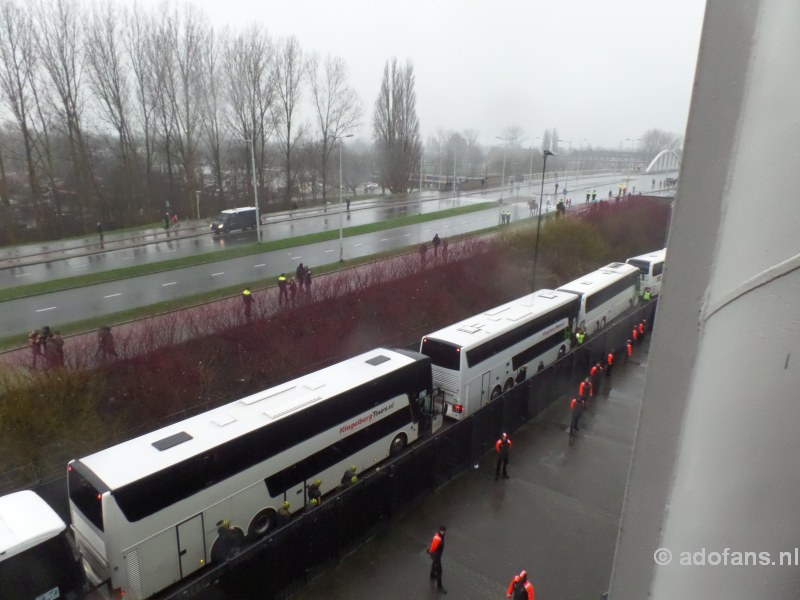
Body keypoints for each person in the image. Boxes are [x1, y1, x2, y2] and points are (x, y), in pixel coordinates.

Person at [427, 526, 447, 594]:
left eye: (443, 531)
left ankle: (432, 576)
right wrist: (430, 551)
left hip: (436, 555)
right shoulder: (438, 538)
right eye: (441, 531)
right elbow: (433, 547)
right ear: (439, 530)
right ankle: (439, 587)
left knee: (434, 564)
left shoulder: (440, 536)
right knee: (439, 571)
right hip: (436, 556)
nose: (442, 532)